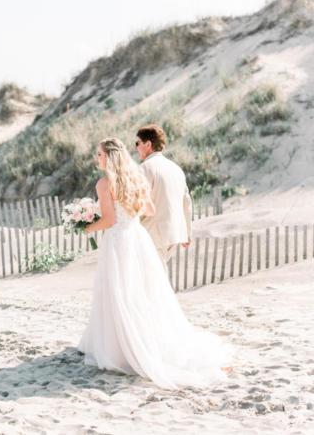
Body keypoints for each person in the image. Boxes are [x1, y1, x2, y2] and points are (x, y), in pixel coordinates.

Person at [77, 137, 232, 390]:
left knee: (119, 293)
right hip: (139, 239)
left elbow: (107, 220)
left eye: (100, 154)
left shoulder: (104, 183)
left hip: (118, 241)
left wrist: (86, 228)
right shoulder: (136, 178)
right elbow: (148, 210)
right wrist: (128, 212)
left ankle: (121, 350)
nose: (98, 158)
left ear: (110, 157)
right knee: (145, 293)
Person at [136, 125, 192, 268]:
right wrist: (187, 231)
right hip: (174, 233)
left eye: (138, 143)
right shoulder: (176, 168)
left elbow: (138, 202)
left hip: (152, 232)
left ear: (148, 144)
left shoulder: (145, 168)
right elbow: (186, 201)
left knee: (152, 279)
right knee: (159, 275)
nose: (136, 148)